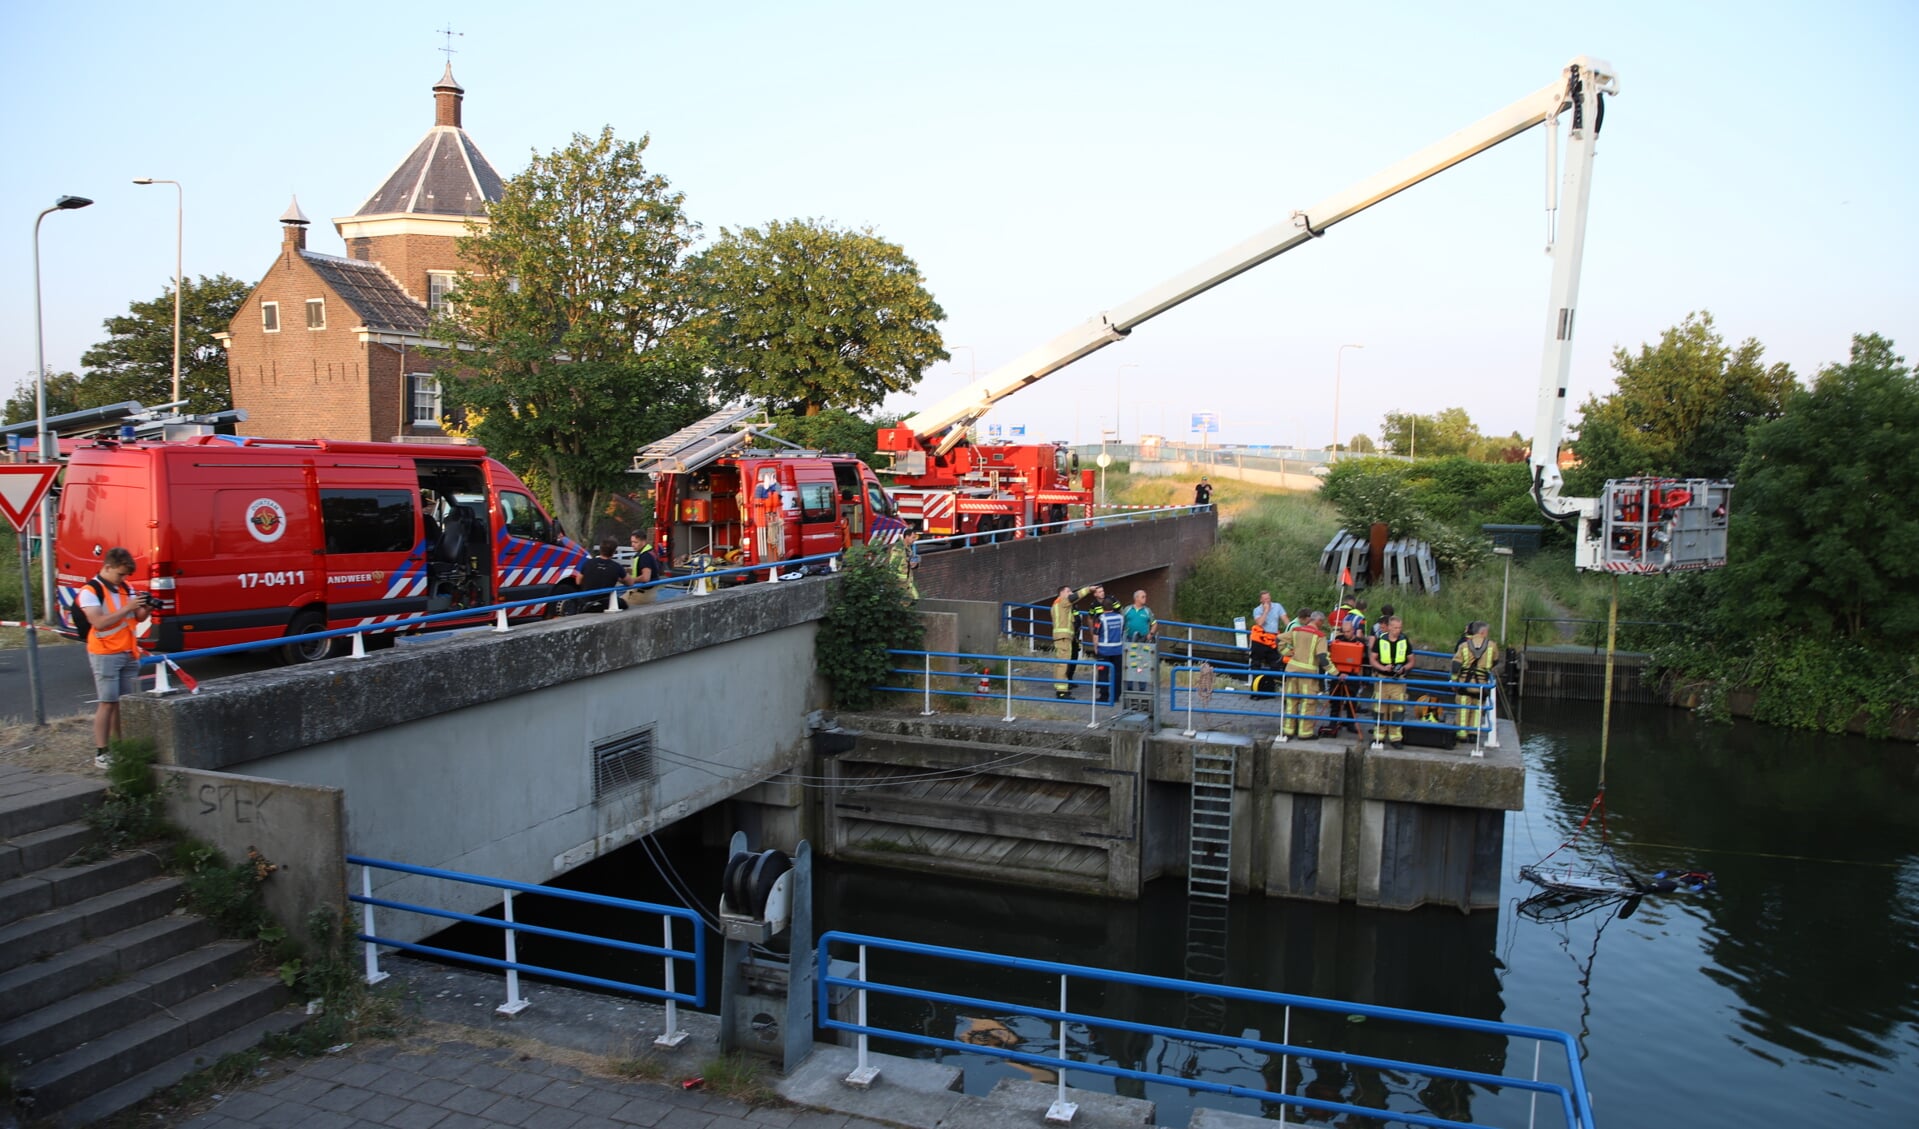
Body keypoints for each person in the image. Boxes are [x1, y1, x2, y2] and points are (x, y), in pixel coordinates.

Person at [79, 547, 150, 769]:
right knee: (107, 703)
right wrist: (128, 606)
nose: (123, 579)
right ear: (107, 567)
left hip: (128, 652)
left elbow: (137, 618)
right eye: (120, 574)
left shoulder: (125, 588)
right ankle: (101, 753)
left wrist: (145, 606)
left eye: (126, 575)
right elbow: (99, 622)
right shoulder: (90, 591)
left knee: (123, 704)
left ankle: (119, 747)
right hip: (105, 653)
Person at [1280, 611, 1329, 739]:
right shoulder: (1320, 636)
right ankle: (1305, 733)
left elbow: (1278, 639)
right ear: (1319, 621)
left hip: (1291, 672)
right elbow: (1323, 657)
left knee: (1291, 702)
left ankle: (1288, 731)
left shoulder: (1296, 630)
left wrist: (1287, 653)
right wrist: (1336, 673)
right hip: (1308, 675)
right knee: (1308, 703)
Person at [1451, 621, 1502, 740]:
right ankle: (1474, 734)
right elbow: (1495, 661)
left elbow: (1455, 665)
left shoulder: (1464, 646)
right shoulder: (1492, 645)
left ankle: (1461, 734)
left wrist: (1454, 681)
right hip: (1482, 685)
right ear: (1483, 632)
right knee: (1477, 710)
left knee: (1463, 709)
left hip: (1465, 683)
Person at [1370, 616, 1413, 748]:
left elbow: (1411, 660)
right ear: (1388, 627)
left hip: (1398, 680)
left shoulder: (1404, 640)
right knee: (1380, 709)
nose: (1397, 630)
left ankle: (1395, 738)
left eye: (1399, 628)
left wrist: (1404, 668)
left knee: (1397, 709)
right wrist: (1383, 667)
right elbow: (1372, 659)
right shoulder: (1380, 640)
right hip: (1382, 678)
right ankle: (1379, 736)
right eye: (1395, 628)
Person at [1325, 616, 1369, 736]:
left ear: (1353, 630)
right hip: (1338, 675)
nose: (1346, 634)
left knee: (1352, 701)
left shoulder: (1361, 643)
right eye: (1344, 631)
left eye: (1348, 631)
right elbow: (1331, 655)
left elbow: (1365, 661)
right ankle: (1333, 723)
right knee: (1335, 701)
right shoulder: (1338, 639)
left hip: (1353, 675)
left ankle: (1351, 723)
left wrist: (1365, 678)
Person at [1247, 590, 1289, 698]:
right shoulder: (1257, 610)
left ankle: (1270, 688)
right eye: (1265, 599)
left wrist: (1291, 631)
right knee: (1256, 664)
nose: (1267, 601)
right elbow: (1260, 623)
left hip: (1272, 640)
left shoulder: (1277, 606)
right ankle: (1256, 689)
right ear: (1261, 600)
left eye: (1268, 598)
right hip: (1260, 639)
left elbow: (1285, 620)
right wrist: (1265, 611)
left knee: (1275, 663)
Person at [575, 539, 626, 611]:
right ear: (613, 552)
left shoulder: (588, 563)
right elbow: (630, 582)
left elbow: (578, 581)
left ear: (600, 549)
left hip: (586, 603)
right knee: (623, 603)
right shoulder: (616, 567)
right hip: (605, 604)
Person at [1092, 601, 1126, 704]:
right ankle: (1116, 696)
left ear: (1103, 609)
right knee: (1118, 674)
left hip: (1104, 650)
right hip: (1118, 650)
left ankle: (1104, 696)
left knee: (1103, 673)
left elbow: (1095, 634)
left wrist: (1095, 648)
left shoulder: (1100, 619)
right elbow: (1123, 631)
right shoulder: (1120, 618)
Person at [1051, 585, 1079, 698]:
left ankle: (1060, 688)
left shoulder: (1057, 604)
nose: (1070, 593)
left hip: (1062, 638)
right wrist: (1089, 589)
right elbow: (1077, 596)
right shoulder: (1062, 603)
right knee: (1063, 665)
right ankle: (1062, 692)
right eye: (1068, 591)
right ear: (1061, 593)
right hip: (1063, 639)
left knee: (1060, 664)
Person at [628, 532, 660, 604]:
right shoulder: (650, 551)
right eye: (632, 542)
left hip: (643, 593)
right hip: (651, 591)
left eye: (635, 542)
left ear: (643, 542)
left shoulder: (644, 556)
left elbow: (645, 578)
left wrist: (631, 580)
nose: (632, 545)